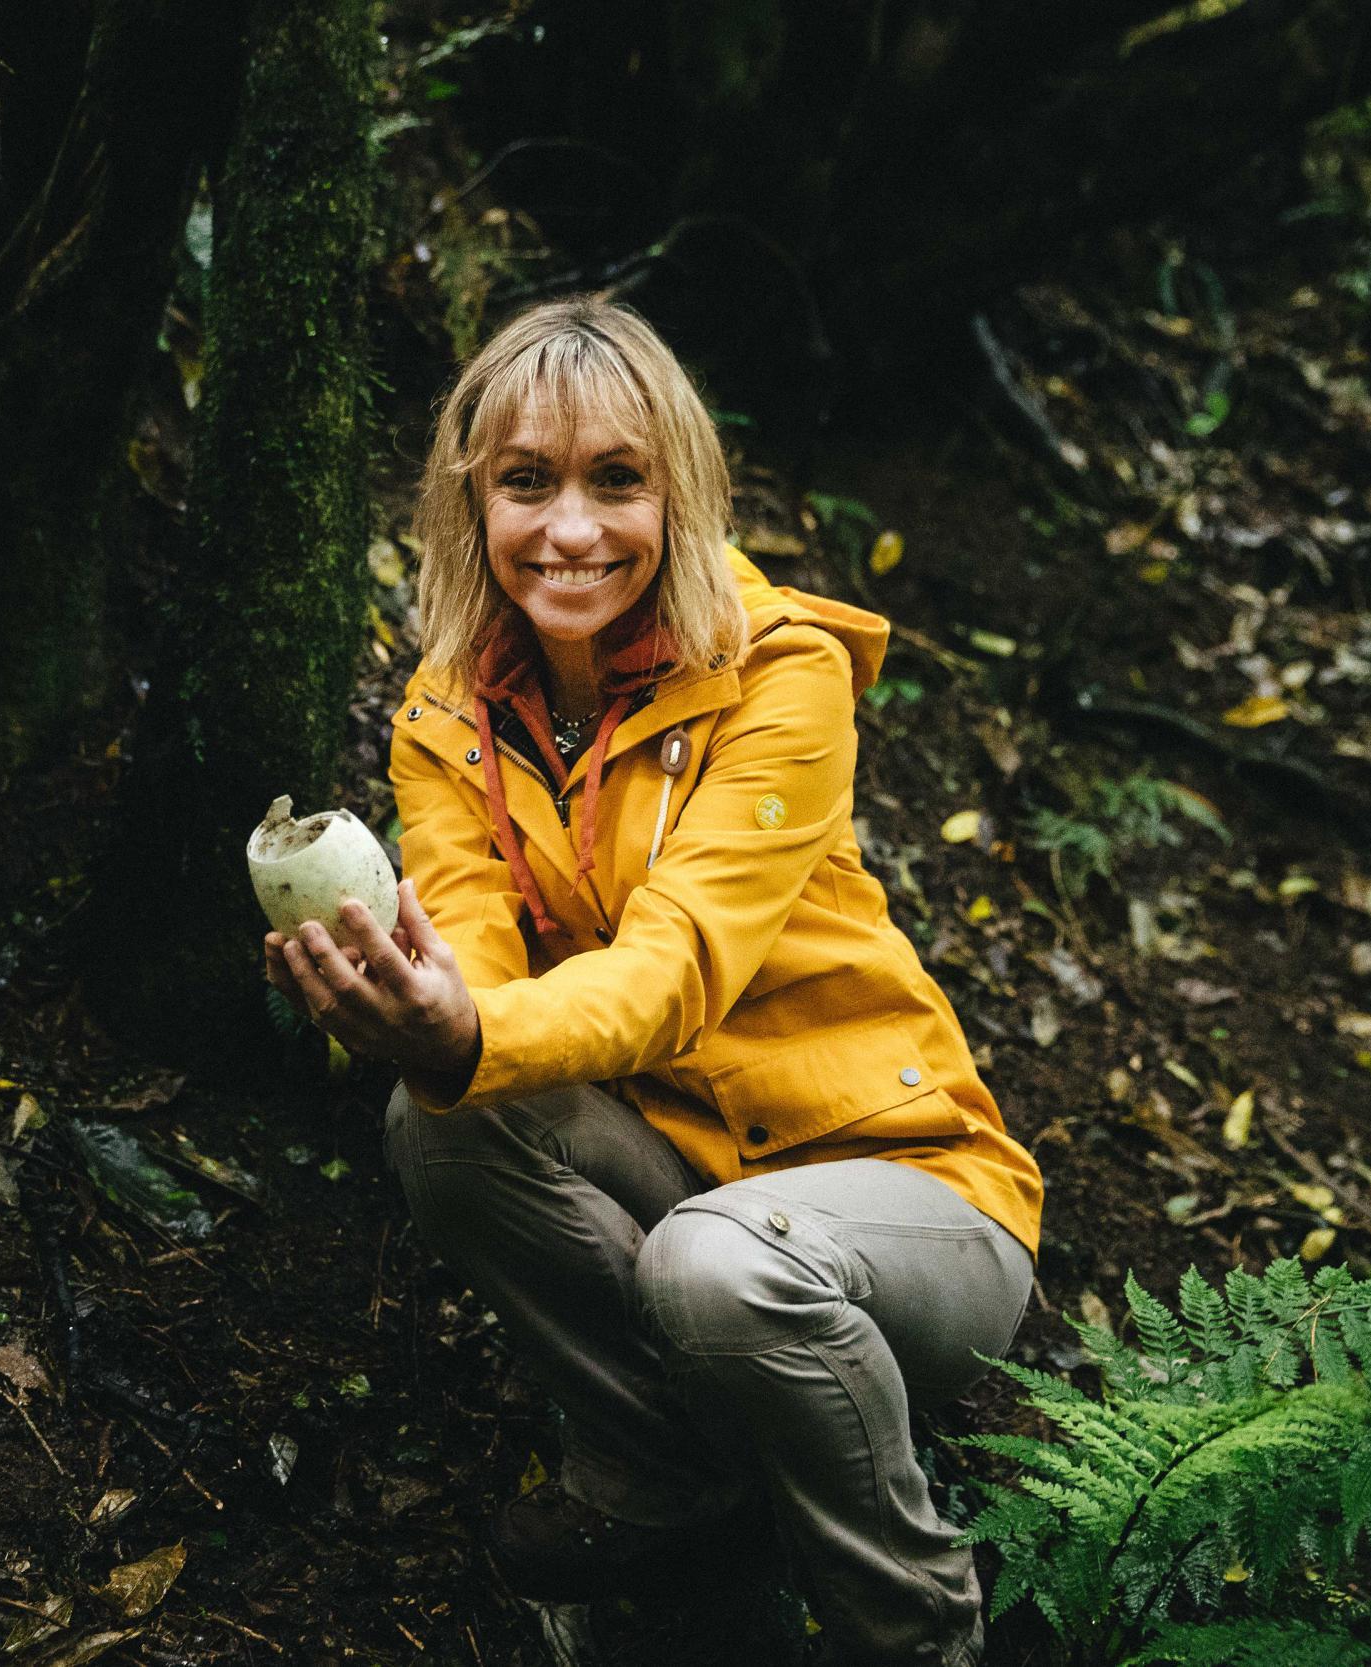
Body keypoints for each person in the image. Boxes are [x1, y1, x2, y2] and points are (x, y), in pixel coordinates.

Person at [262, 297, 1044, 1667]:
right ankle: (671, 1481)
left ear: (678, 491)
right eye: (528, 483)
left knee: (717, 1265)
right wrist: (418, 1024)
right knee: (437, 1120)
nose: (572, 530)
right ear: (472, 503)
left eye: (616, 480)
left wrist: (470, 1029)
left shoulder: (782, 674)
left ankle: (915, 1630)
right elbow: (480, 969)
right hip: (693, 1177)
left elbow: (674, 973)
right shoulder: (447, 715)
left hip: (915, 1196)